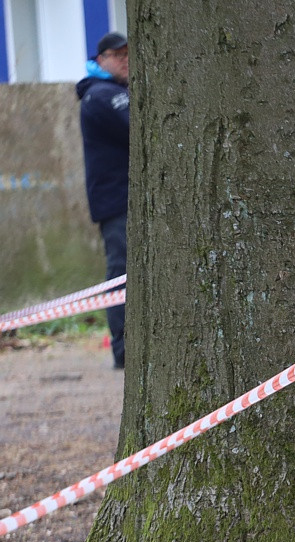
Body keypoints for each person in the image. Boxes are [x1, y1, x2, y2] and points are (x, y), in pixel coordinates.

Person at [76, 31, 129, 370]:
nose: (125, 59)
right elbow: (135, 126)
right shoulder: (102, 95)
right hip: (117, 203)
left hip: (125, 201)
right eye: (117, 54)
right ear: (101, 60)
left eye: (128, 54)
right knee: (121, 275)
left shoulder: (116, 92)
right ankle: (123, 349)